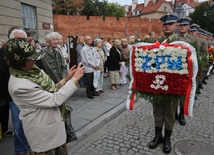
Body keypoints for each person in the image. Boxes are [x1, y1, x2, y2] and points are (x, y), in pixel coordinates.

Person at [4, 38, 84, 154]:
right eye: (31, 59)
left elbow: (52, 90)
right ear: (20, 62)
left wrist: (67, 79)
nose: (35, 61)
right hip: (44, 136)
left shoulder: (32, 71)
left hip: (54, 128)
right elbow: (54, 99)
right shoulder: (19, 86)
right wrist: (75, 79)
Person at [149, 13, 180, 154]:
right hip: (158, 83)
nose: (167, 25)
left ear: (176, 25)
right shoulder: (156, 42)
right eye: (165, 23)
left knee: (170, 111)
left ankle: (167, 138)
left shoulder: (181, 43)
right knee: (157, 110)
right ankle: (157, 136)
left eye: (170, 23)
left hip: (174, 85)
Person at [177, 17, 200, 125]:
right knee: (173, 92)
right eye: (180, 25)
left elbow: (197, 55)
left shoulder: (193, 39)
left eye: (184, 25)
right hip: (175, 70)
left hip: (187, 71)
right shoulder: (174, 37)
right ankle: (174, 113)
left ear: (188, 27)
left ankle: (181, 114)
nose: (182, 27)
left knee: (183, 94)